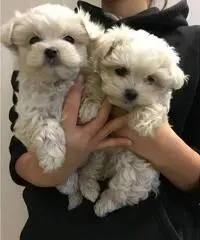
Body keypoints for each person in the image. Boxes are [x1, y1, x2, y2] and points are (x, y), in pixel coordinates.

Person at [8, 0, 200, 239]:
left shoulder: (194, 42)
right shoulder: (52, 32)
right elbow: (19, 158)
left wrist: (157, 141)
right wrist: (67, 159)